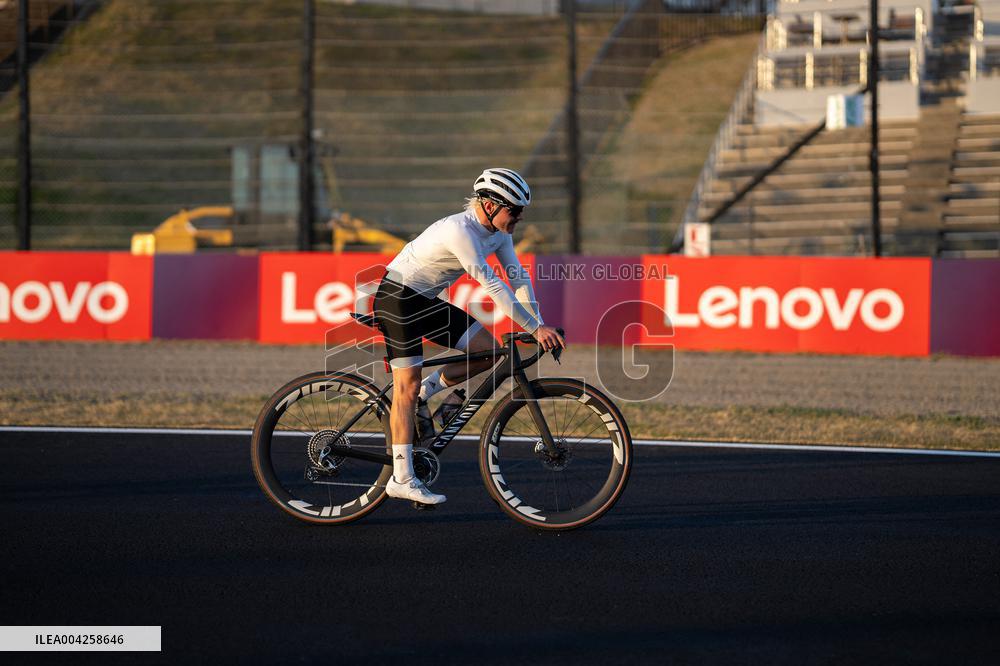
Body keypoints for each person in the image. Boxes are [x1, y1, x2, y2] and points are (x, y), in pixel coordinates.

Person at [371, 168, 565, 505]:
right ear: (490, 205)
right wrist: (534, 328)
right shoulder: (458, 231)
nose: (518, 218)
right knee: (407, 385)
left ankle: (425, 394)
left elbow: (517, 278)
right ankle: (401, 479)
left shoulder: (499, 234)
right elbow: (492, 285)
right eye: (514, 211)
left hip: (426, 301)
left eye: (521, 212)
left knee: (489, 352)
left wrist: (539, 322)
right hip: (397, 299)